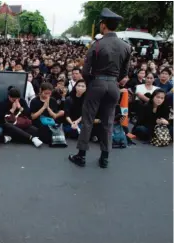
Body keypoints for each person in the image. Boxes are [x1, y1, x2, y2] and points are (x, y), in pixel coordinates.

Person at [69, 8, 131, 169]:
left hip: (97, 83)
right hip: (113, 86)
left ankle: (81, 155)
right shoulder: (126, 46)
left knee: (88, 120)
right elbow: (125, 73)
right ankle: (105, 158)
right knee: (108, 122)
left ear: (103, 25)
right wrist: (113, 81)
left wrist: (92, 83)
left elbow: (85, 70)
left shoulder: (97, 44)